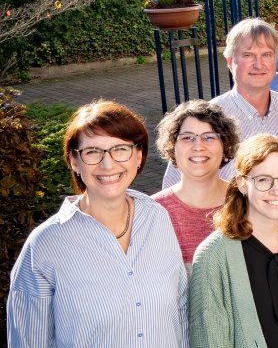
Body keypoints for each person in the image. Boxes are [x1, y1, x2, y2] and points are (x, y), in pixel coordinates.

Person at [7, 100, 188, 346]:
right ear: (73, 160)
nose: (108, 164)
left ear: (138, 155)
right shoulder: (45, 245)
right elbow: (28, 341)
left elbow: (181, 307)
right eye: (92, 152)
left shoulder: (157, 217)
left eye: (120, 149)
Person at [188, 134, 278, 348]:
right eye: (264, 180)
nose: (277, 190)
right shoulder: (213, 255)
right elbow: (209, 341)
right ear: (242, 184)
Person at [162, 17, 278, 188]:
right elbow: (174, 190)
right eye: (248, 55)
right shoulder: (206, 120)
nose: (259, 65)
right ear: (230, 61)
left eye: (266, 55)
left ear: (275, 60)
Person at [152, 99, 240, 272]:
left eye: (209, 137)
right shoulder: (153, 212)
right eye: (187, 138)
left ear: (225, 145)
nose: (198, 146)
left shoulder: (248, 202)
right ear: (172, 146)